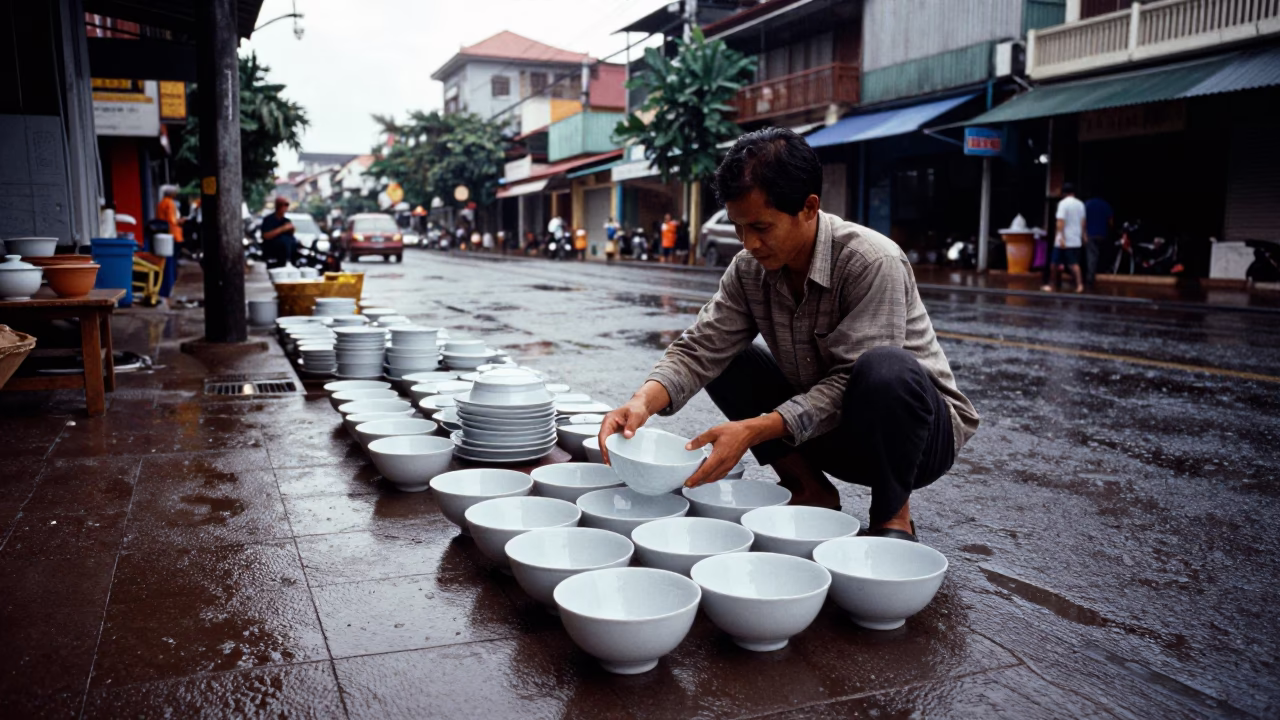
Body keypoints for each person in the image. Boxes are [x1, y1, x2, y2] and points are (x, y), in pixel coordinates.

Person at [598, 128, 979, 542]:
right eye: (739, 227)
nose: (749, 243)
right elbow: (701, 348)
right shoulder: (748, 269)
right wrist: (640, 403)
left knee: (885, 368)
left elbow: (855, 379)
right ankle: (810, 488)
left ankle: (892, 516)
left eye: (761, 226)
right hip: (827, 431)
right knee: (730, 361)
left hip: (914, 442)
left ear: (809, 207)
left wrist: (754, 429)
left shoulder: (872, 260)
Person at [1044, 183, 1086, 293]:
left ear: (1063, 193)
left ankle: (1052, 285)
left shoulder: (1062, 204)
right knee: (1074, 264)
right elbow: (1083, 222)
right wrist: (1083, 235)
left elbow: (1060, 222)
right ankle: (1080, 285)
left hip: (1062, 240)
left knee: (1054, 263)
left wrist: (1061, 237)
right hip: (1075, 239)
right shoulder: (1080, 204)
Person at [1083, 194, 1113, 287]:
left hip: (1090, 234)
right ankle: (1100, 271)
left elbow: (1082, 221)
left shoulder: (1087, 204)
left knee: (1091, 256)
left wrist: (1084, 234)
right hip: (1102, 234)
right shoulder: (1105, 205)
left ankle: (1090, 278)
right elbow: (1111, 221)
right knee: (1100, 254)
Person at [260, 197, 297, 268]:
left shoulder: (286, 220)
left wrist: (291, 229)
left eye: (287, 205)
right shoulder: (269, 220)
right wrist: (282, 229)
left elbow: (291, 236)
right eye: (285, 205)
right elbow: (266, 236)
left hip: (288, 255)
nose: (286, 207)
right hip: (273, 253)